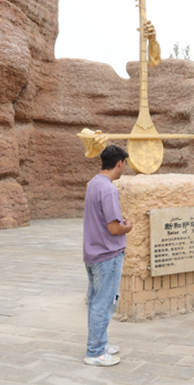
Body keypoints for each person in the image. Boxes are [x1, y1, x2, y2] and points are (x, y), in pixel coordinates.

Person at [83, 145, 133, 367]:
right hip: (108, 254)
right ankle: (95, 352)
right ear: (119, 163)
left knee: (97, 302)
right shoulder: (109, 189)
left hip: (93, 252)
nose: (124, 168)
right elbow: (114, 228)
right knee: (104, 304)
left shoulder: (93, 183)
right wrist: (127, 227)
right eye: (125, 164)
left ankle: (100, 344)